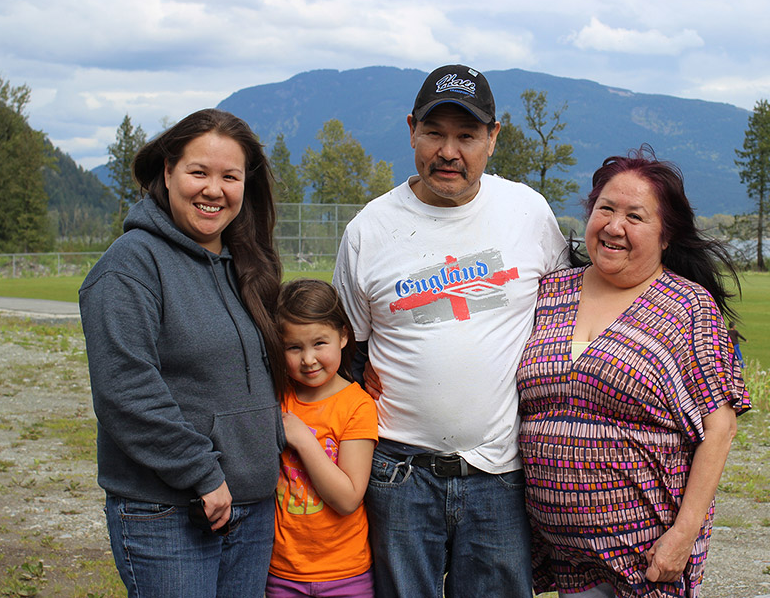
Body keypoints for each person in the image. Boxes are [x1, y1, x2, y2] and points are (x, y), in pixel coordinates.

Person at [332, 63, 569, 597]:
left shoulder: (527, 213)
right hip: (398, 472)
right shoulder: (369, 230)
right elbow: (349, 350)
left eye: (467, 136)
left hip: (501, 473)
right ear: (412, 129)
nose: (449, 152)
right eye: (435, 133)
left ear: (493, 139)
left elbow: (566, 318)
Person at [516, 147, 751, 598]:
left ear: (666, 236)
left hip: (645, 560)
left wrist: (682, 537)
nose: (614, 226)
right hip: (563, 555)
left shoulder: (687, 308)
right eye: (605, 208)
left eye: (635, 217)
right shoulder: (550, 291)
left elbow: (719, 428)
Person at [79, 108, 287, 597]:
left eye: (229, 176)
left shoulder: (245, 266)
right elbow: (125, 391)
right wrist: (201, 474)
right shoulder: (129, 267)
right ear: (168, 172)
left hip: (252, 505)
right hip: (170, 511)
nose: (214, 190)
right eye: (199, 172)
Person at [268, 278, 378, 598]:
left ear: (343, 336)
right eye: (294, 347)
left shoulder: (357, 406)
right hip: (283, 572)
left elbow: (347, 499)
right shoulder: (277, 398)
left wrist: (302, 439)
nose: (308, 359)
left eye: (319, 343)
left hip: (346, 573)